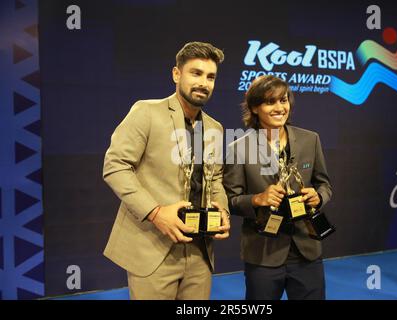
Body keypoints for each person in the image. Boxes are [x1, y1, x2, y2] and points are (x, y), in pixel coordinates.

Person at [103, 42, 230, 300]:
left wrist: (223, 210)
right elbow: (115, 166)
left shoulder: (215, 128)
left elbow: (215, 179)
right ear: (176, 74)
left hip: (199, 252)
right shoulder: (146, 112)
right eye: (196, 73)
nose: (204, 83)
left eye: (210, 77)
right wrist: (156, 212)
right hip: (153, 248)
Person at [223, 75, 332, 300]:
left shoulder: (310, 139)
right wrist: (257, 199)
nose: (279, 108)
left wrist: (318, 197)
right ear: (254, 108)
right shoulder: (238, 148)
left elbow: (324, 184)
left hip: (307, 251)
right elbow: (230, 199)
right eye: (270, 102)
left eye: (283, 100)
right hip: (263, 253)